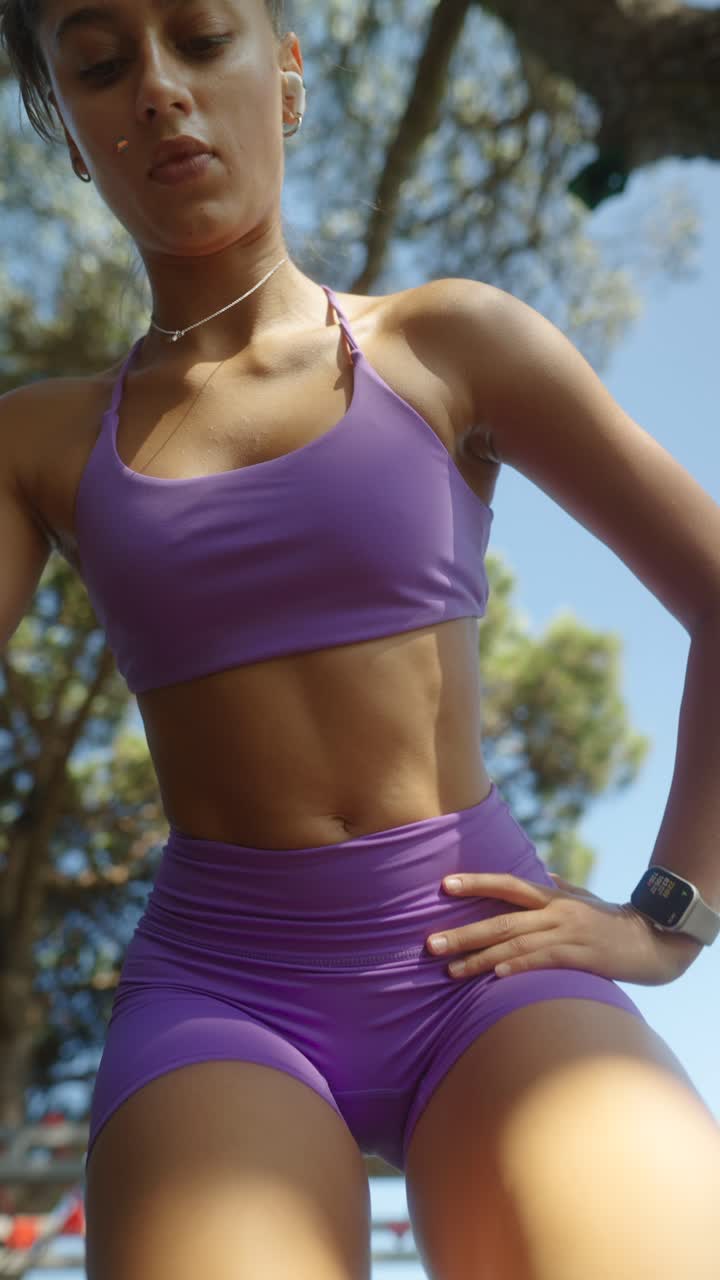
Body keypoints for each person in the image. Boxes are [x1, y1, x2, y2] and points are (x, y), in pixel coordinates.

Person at [2, 0, 720, 1276]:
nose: (160, 89)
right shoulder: (37, 443)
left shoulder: (447, 342)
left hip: (490, 958)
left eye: (203, 41)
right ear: (70, 129)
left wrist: (669, 916)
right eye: (104, 66)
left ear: (284, 74)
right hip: (221, 992)